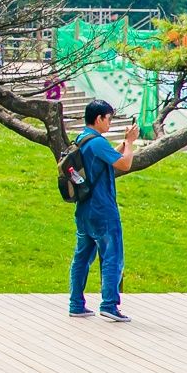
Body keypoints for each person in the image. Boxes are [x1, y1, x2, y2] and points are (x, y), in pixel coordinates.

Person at [69, 99, 138, 323]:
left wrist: (123, 145)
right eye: (108, 119)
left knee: (81, 258)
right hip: (103, 210)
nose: (110, 123)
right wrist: (130, 143)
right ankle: (109, 304)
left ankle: (76, 304)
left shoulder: (83, 139)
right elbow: (124, 164)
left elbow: (108, 157)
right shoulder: (97, 142)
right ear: (98, 119)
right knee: (112, 256)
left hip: (85, 209)